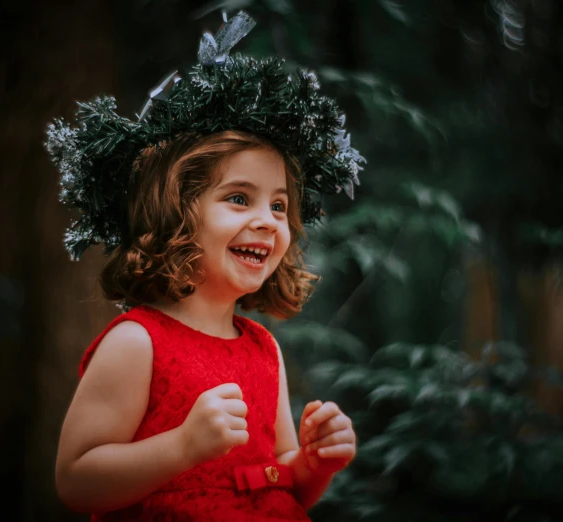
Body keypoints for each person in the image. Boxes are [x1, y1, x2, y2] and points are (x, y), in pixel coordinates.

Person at [46, 11, 365, 522]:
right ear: (176, 213)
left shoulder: (264, 349)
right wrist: (182, 447)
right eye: (239, 198)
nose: (267, 221)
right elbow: (75, 480)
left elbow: (281, 485)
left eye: (279, 206)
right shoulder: (137, 343)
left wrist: (314, 462)